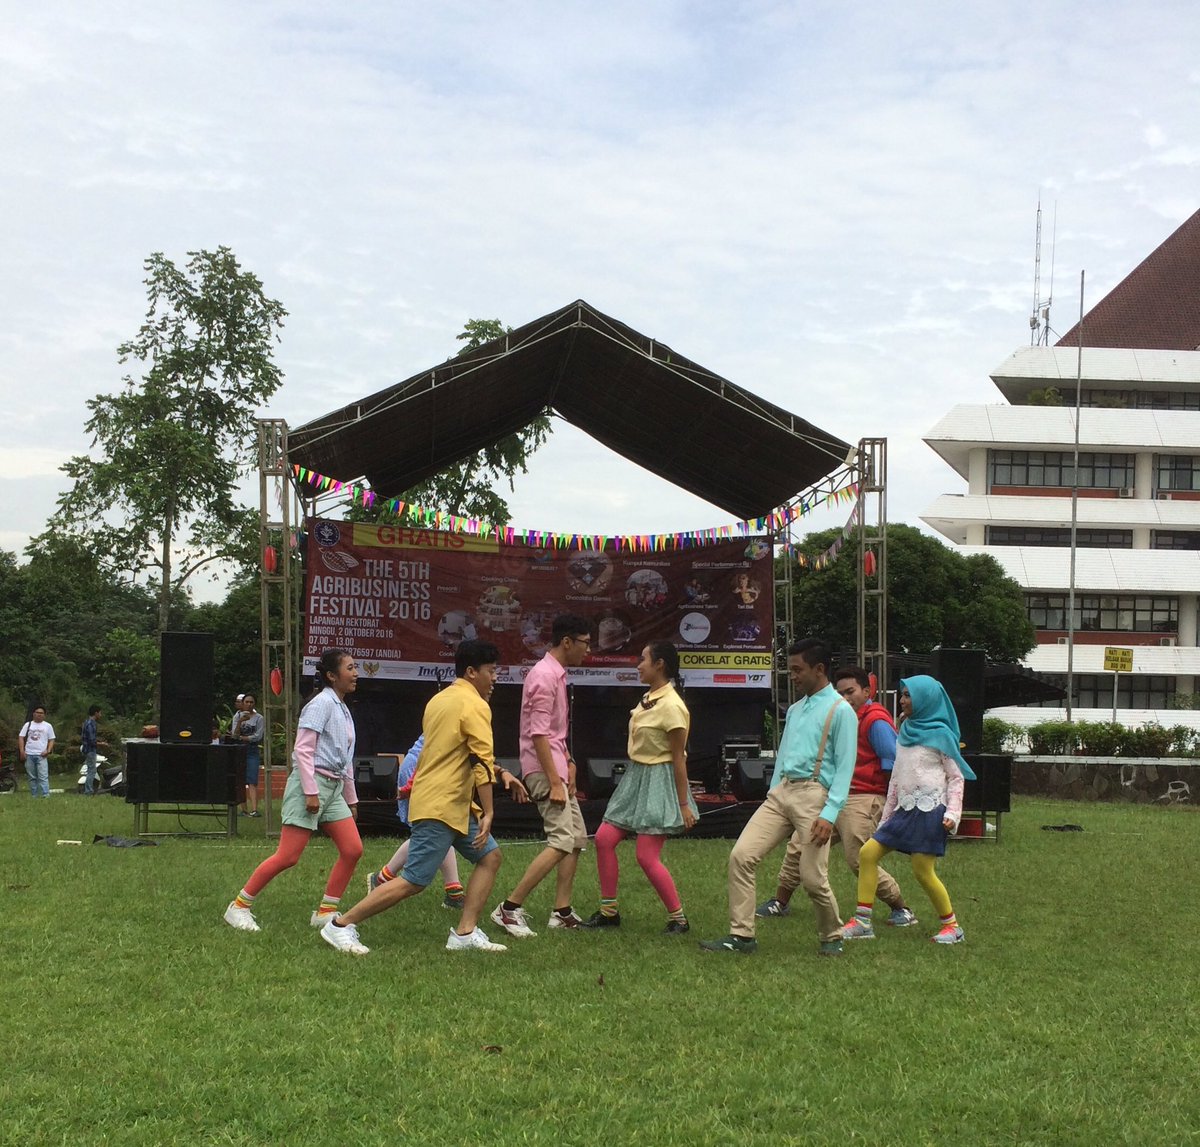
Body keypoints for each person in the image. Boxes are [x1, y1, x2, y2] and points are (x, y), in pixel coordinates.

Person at [318, 639, 512, 955]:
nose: (495, 679)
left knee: (490, 857)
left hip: (451, 803)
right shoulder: (475, 705)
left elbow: (456, 753)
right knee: (414, 880)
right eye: (491, 671)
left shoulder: (439, 700)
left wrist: (500, 774)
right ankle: (340, 925)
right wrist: (489, 811)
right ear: (471, 672)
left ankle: (464, 933)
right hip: (441, 804)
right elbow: (480, 760)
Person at [700, 638, 856, 956]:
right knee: (741, 856)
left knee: (812, 878)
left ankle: (832, 936)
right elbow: (783, 754)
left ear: (819, 669)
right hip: (782, 793)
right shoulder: (795, 710)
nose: (793, 676)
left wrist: (829, 813)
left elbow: (845, 767)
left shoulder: (841, 711)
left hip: (815, 795)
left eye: (798, 670)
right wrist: (773, 791)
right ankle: (742, 935)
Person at [756, 666, 916, 929]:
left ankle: (901, 908)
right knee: (798, 845)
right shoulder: (835, 715)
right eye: (840, 693)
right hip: (829, 795)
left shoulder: (875, 721)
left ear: (867, 691)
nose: (845, 698)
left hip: (862, 796)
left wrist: (891, 804)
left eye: (851, 691)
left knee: (859, 858)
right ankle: (780, 901)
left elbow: (893, 763)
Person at [223, 649, 364, 939]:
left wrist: (351, 799)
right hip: (310, 785)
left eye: (355, 667)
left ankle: (325, 912)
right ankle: (239, 906)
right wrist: (311, 792)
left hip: (333, 788)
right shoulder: (320, 704)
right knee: (288, 856)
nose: (356, 673)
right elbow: (303, 750)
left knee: (353, 849)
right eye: (350, 668)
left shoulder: (342, 707)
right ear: (331, 676)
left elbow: (346, 759)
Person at [580, 640, 698, 934]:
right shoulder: (649, 698)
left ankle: (679, 919)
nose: (638, 665)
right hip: (636, 776)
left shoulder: (672, 706)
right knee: (604, 839)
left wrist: (683, 805)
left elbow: (679, 759)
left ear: (659, 664)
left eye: (643, 659)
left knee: (646, 855)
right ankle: (609, 913)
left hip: (659, 780)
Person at [848, 675, 975, 945]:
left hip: (931, 812)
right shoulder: (904, 729)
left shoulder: (941, 735)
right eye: (903, 694)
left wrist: (952, 814)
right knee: (867, 854)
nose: (903, 700)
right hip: (903, 810)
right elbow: (896, 778)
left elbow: (956, 778)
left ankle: (952, 927)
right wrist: (886, 817)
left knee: (922, 870)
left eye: (908, 695)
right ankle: (862, 922)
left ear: (926, 699)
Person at [491, 613, 592, 938]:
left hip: (558, 769)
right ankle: (508, 908)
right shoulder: (544, 676)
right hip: (544, 771)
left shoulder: (557, 674)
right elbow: (538, 734)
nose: (588, 650)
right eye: (585, 643)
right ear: (567, 642)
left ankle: (561, 912)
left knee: (576, 839)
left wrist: (570, 763)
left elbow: (555, 733)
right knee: (561, 840)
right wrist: (554, 781)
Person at [366, 735, 528, 908]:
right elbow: (467, 757)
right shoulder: (461, 720)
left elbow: (468, 757)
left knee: (442, 831)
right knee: (435, 831)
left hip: (433, 771)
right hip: (426, 771)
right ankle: (371, 891)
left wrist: (500, 771)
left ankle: (452, 893)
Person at [237, 693, 265, 817]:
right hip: (239, 750)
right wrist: (240, 722)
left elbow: (258, 736)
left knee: (252, 780)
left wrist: (245, 738)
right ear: (242, 704)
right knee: (240, 779)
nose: (249, 704)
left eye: (251, 702)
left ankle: (254, 809)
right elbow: (234, 734)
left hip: (252, 750)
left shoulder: (259, 718)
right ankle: (243, 809)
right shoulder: (237, 716)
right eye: (246, 702)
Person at [19, 706, 56, 798]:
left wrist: (48, 750)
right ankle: (34, 795)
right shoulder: (28, 725)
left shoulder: (48, 726)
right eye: (37, 712)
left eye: (41, 713)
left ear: (44, 715)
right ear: (33, 714)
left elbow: (51, 739)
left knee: (43, 776)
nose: (39, 715)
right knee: (32, 777)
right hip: (29, 754)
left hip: (41, 755)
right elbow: (21, 737)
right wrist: (22, 751)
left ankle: (45, 795)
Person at [81, 705, 105, 795]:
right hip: (90, 750)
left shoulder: (86, 722)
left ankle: (88, 789)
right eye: (100, 713)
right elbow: (91, 740)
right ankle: (88, 791)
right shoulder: (91, 724)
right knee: (92, 770)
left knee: (90, 769)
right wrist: (101, 744)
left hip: (87, 749)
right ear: (96, 713)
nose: (100, 715)